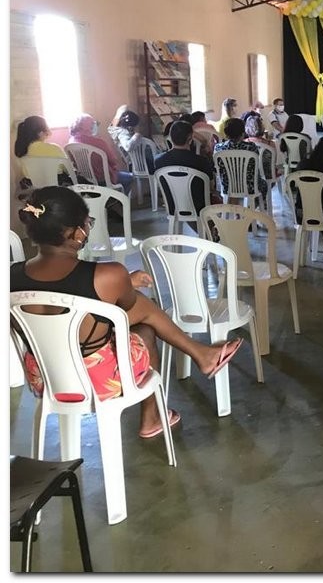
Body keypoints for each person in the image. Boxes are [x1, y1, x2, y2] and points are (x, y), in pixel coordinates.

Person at [11, 187, 242, 439]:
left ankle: (203, 356)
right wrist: (124, 282)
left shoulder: (9, 276)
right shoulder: (107, 274)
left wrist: (123, 283)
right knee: (144, 323)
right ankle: (155, 413)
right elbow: (128, 306)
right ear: (76, 233)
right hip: (97, 381)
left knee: (131, 313)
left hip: (46, 380)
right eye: (87, 223)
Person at [154, 120, 223, 229]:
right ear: (190, 139)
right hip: (200, 207)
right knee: (218, 201)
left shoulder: (158, 161)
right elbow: (210, 187)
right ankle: (210, 235)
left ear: (170, 138)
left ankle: (206, 233)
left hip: (173, 206)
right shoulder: (201, 161)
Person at [68, 113, 133, 193]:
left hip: (84, 180)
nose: (95, 125)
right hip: (104, 179)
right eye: (93, 123)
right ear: (87, 127)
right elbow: (114, 160)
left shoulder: (71, 143)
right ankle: (120, 202)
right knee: (130, 177)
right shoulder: (99, 142)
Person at [213, 118, 268, 201]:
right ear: (243, 132)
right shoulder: (251, 147)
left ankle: (237, 209)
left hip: (227, 187)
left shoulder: (218, 148)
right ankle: (254, 206)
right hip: (250, 187)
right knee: (264, 184)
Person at [14, 115, 72, 189]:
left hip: (34, 186)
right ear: (40, 133)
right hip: (57, 185)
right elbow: (68, 170)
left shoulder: (22, 149)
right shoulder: (54, 148)